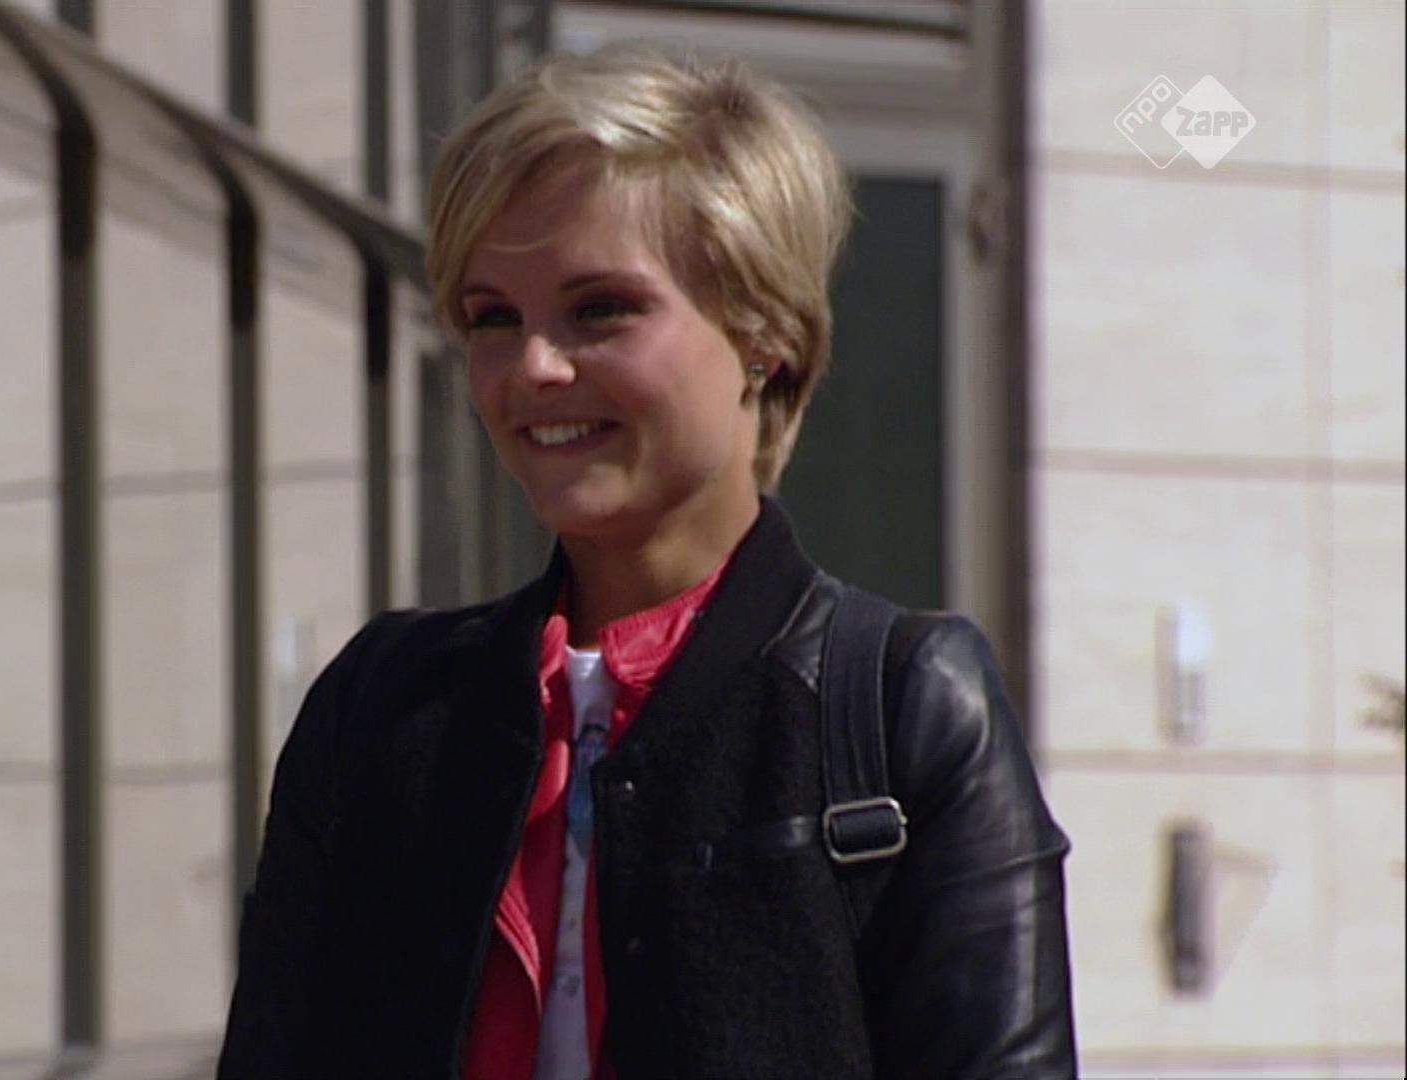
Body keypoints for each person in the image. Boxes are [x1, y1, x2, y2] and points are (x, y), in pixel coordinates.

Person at [218, 48, 1076, 1080]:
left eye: (600, 309)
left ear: (763, 334)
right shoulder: (380, 713)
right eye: (493, 317)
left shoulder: (905, 713)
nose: (534, 367)